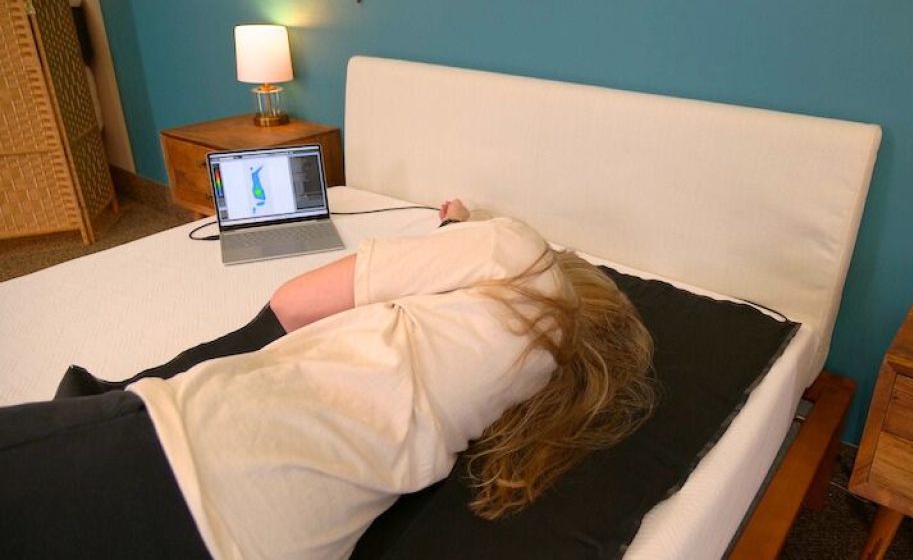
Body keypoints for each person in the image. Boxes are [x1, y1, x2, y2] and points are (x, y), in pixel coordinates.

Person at [0, 200, 654, 560]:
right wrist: (453, 233)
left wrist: (463, 234)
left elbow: (294, 302)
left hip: (196, 457)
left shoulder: (524, 256)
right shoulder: (529, 392)